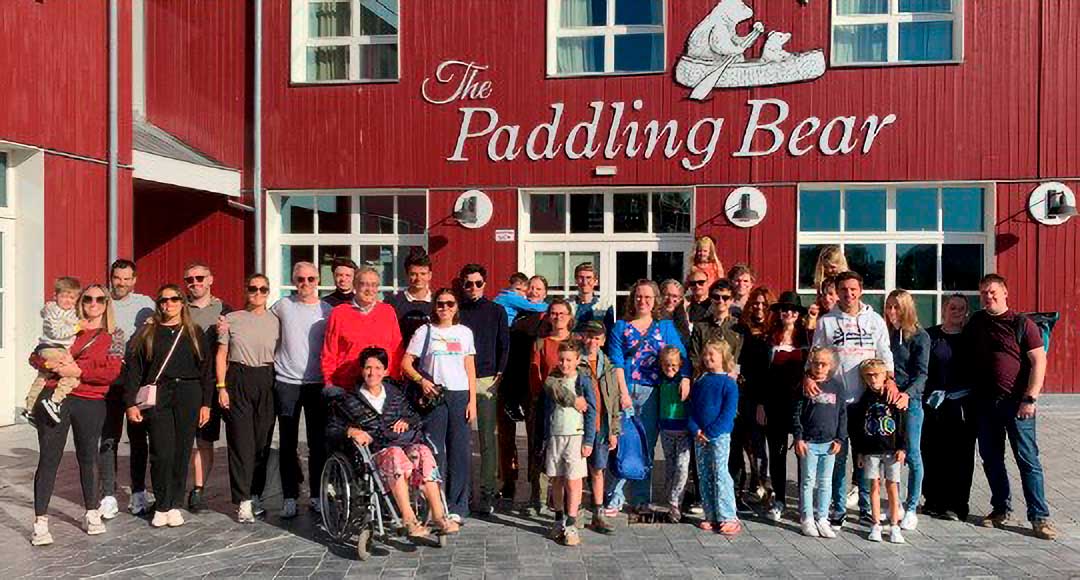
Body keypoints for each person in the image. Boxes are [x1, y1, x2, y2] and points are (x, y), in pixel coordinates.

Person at [327, 347, 460, 538]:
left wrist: (407, 421)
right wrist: (351, 431)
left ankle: (439, 516)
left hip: (405, 445)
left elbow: (415, 417)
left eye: (378, 368)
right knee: (395, 454)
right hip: (376, 453)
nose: (372, 373)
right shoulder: (350, 399)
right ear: (362, 370)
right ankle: (409, 519)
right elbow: (332, 428)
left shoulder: (395, 394)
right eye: (368, 368)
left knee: (423, 452)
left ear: (386, 371)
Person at [30, 284, 125, 546]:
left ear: (107, 304)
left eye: (100, 299)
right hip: (56, 397)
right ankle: (40, 521)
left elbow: (111, 372)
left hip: (90, 401)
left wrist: (79, 371)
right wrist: (48, 363)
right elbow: (36, 355)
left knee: (88, 457)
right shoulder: (68, 327)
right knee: (49, 459)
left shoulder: (114, 335)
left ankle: (92, 512)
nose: (93, 304)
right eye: (88, 299)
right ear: (80, 302)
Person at [964, 274, 1057, 540]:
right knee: (992, 459)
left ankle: (1039, 518)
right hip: (985, 405)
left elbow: (1039, 361)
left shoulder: (1022, 324)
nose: (988, 296)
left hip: (1017, 405)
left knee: (1027, 460)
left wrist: (1030, 398)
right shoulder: (976, 323)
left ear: (1005, 293)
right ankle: (1000, 509)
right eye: (983, 293)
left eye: (992, 291)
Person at [809, 271, 894, 528]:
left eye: (853, 289)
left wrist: (890, 380)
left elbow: (885, 353)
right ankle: (838, 507)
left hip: (867, 400)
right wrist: (808, 377)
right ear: (837, 292)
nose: (849, 294)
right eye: (844, 289)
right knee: (838, 456)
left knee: (866, 456)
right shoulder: (827, 322)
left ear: (861, 290)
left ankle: (866, 507)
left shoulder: (875, 320)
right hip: (836, 400)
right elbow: (815, 354)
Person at [125, 285, 214, 528]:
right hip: (159, 393)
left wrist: (206, 404)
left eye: (174, 299)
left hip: (189, 393)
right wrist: (131, 403)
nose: (169, 304)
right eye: (163, 300)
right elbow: (134, 371)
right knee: (161, 451)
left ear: (182, 303)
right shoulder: (148, 332)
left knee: (182, 451)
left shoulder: (194, 332)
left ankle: (175, 504)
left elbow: (206, 371)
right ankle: (162, 504)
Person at [604, 280, 690, 515]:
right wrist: (623, 393)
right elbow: (615, 361)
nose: (643, 301)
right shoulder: (621, 327)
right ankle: (615, 496)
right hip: (625, 388)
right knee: (622, 443)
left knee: (646, 445)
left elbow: (682, 356)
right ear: (632, 299)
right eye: (639, 296)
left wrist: (685, 378)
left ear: (655, 301)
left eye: (648, 297)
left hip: (652, 391)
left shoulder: (665, 327)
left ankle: (641, 498)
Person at [401, 288, 477, 523]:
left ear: (456, 307)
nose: (445, 308)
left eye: (450, 304)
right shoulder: (425, 331)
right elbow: (406, 363)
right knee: (435, 451)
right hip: (434, 395)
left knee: (459, 452)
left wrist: (472, 401)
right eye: (440, 303)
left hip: (459, 394)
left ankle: (458, 506)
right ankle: (436, 502)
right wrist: (422, 381)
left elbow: (470, 367)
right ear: (434, 306)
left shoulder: (464, 332)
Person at [271, 262, 334, 518]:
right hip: (287, 382)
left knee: (317, 443)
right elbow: (260, 321)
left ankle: (317, 495)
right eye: (300, 279)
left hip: (316, 383)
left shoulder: (327, 310)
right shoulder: (282, 306)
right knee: (287, 443)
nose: (305, 284)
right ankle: (289, 496)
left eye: (310, 279)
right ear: (293, 280)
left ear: (318, 280)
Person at [216, 274, 279, 523]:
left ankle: (255, 494)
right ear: (246, 290)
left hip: (267, 378)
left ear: (268, 292)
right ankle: (242, 500)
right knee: (241, 441)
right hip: (239, 377)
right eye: (253, 288)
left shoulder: (276, 320)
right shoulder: (231, 319)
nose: (258, 293)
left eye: (263, 289)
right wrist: (221, 387)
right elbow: (221, 354)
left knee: (262, 442)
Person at [99, 259, 155, 518]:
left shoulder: (145, 304)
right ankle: (108, 495)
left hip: (136, 380)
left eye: (126, 278)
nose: (120, 283)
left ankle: (138, 492)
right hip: (109, 381)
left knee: (138, 438)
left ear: (134, 280)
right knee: (108, 438)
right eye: (117, 278)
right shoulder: (101, 301)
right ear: (111, 278)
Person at [456, 264, 510, 515]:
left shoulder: (496, 311)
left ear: (484, 284)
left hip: (487, 379)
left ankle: (488, 491)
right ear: (462, 285)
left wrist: (499, 374)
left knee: (487, 439)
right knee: (461, 439)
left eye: (478, 283)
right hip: (459, 379)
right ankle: (463, 493)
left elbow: (504, 344)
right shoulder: (456, 310)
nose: (473, 288)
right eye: (469, 283)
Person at [183, 262, 232, 513]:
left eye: (199, 278)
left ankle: (201, 489)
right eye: (189, 279)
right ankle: (186, 488)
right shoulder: (180, 309)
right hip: (188, 381)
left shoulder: (225, 310)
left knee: (207, 439)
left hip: (217, 382)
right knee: (190, 439)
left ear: (210, 279)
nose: (195, 283)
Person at [921, 294, 974, 522]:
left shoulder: (972, 338)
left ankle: (957, 504)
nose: (956, 312)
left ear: (966, 312)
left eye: (961, 308)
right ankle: (933, 500)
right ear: (944, 309)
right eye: (952, 307)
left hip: (962, 405)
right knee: (932, 452)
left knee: (960, 456)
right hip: (934, 404)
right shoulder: (930, 335)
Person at [758, 291, 809, 522]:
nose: (788, 313)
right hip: (774, 402)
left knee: (802, 453)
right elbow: (761, 375)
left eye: (793, 310)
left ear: (798, 314)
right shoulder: (769, 339)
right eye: (784, 309)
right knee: (777, 453)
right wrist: (761, 404)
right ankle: (779, 499)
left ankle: (804, 502)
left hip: (800, 404)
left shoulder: (807, 338)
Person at [543, 340, 597, 546]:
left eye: (569, 360)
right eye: (561, 359)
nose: (564, 364)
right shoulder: (553, 380)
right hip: (555, 434)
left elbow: (591, 410)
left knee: (574, 480)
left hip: (575, 435)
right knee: (556, 479)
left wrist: (589, 440)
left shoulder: (582, 380)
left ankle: (572, 522)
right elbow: (545, 409)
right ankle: (558, 518)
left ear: (577, 360)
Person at [884, 289, 929, 531]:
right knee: (890, 455)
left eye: (896, 307)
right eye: (889, 306)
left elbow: (922, 374)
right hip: (888, 401)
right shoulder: (886, 334)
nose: (892, 311)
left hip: (910, 402)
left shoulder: (920, 336)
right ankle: (896, 504)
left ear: (907, 308)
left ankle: (912, 507)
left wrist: (906, 395)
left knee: (912, 454)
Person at [525, 298, 575, 516]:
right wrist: (537, 398)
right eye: (554, 313)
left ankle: (567, 500)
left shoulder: (576, 341)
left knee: (569, 451)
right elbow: (534, 373)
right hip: (546, 402)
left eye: (562, 313)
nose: (558, 317)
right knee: (542, 448)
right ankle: (539, 497)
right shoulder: (541, 343)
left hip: (572, 405)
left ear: (570, 317)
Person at [850, 359, 907, 544]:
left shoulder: (892, 397)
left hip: (891, 449)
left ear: (884, 376)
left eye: (877, 375)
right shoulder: (864, 400)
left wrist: (902, 447)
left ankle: (895, 525)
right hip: (870, 451)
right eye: (869, 376)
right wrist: (859, 452)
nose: (873, 379)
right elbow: (859, 429)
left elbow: (902, 424)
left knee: (892, 486)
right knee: (874, 485)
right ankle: (875, 523)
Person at [792, 346, 846, 539]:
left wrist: (840, 438)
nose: (819, 367)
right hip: (809, 443)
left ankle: (822, 517)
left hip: (829, 443)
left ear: (831, 366)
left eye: (824, 364)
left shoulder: (837, 387)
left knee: (825, 482)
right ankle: (807, 517)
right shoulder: (805, 386)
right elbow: (796, 414)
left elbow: (842, 414)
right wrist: (798, 437)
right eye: (816, 363)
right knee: (808, 481)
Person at [688, 338, 740, 535]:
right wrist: (695, 429)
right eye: (705, 354)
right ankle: (710, 514)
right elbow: (692, 409)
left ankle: (728, 516)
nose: (707, 358)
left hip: (718, 435)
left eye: (712, 354)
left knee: (720, 473)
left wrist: (710, 432)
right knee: (704, 475)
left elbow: (728, 414)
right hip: (699, 436)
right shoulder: (700, 382)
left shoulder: (729, 383)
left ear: (723, 357)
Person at [322, 265, 404, 389]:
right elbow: (329, 352)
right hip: (346, 384)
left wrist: (395, 379)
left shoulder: (388, 312)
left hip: (382, 385)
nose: (369, 289)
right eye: (364, 284)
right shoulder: (339, 313)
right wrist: (329, 383)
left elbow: (396, 349)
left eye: (374, 285)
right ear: (355, 286)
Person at [574, 320, 620, 534]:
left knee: (598, 469)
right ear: (583, 337)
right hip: (580, 425)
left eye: (596, 338)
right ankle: (576, 510)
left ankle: (598, 512)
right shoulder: (576, 362)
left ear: (602, 341)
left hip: (601, 424)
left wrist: (614, 430)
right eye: (589, 336)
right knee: (578, 470)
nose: (592, 341)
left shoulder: (608, 365)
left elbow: (614, 400)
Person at [733, 287, 774, 507]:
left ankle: (761, 485)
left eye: (764, 304)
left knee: (759, 443)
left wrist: (763, 402)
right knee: (742, 442)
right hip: (743, 392)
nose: (759, 307)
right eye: (756, 303)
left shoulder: (773, 331)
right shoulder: (742, 329)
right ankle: (741, 487)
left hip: (765, 394)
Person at [24, 276, 82, 424]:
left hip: (52, 349)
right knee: (73, 374)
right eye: (64, 296)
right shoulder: (53, 311)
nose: (68, 301)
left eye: (72, 297)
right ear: (55, 296)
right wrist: (78, 327)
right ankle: (55, 401)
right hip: (54, 348)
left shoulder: (71, 311)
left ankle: (30, 408)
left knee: (42, 377)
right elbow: (56, 333)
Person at [657, 346, 691, 523]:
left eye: (674, 366)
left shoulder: (684, 381)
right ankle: (670, 499)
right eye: (666, 365)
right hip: (666, 430)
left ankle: (676, 500)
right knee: (670, 466)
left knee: (682, 467)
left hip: (683, 431)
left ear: (680, 365)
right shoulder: (660, 380)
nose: (670, 369)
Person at [689, 279, 743, 376]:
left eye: (725, 298)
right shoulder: (700, 326)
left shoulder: (739, 327)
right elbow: (694, 356)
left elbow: (743, 356)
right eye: (716, 297)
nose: (720, 301)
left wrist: (735, 372)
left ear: (732, 300)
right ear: (711, 299)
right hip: (706, 377)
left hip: (732, 378)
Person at [385, 250, 434, 343]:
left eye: (423, 274)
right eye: (413, 274)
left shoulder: (440, 303)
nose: (418, 278)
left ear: (430, 275)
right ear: (407, 275)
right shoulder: (393, 303)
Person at [569, 262, 614, 329]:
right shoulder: (568, 305)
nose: (585, 282)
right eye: (581, 278)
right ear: (576, 280)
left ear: (596, 281)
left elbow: (609, 331)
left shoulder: (605, 305)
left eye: (588, 278)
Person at [658, 279, 691, 348]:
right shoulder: (652, 319)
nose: (670, 300)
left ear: (680, 299)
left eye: (675, 296)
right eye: (667, 295)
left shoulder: (686, 320)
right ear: (660, 296)